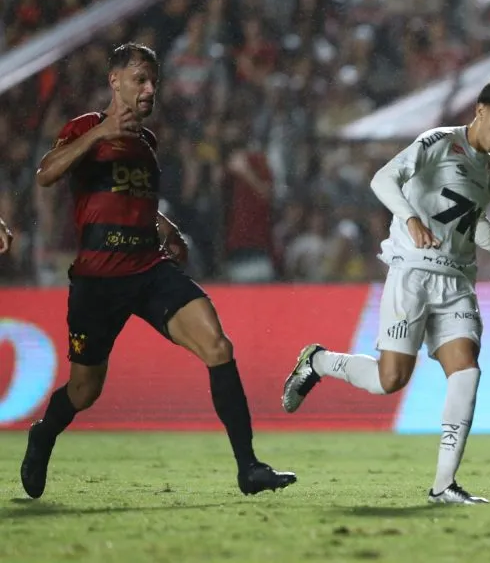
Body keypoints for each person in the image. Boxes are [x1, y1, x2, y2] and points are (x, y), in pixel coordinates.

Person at [22, 42, 296, 499]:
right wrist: (101, 132)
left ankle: (248, 467)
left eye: (154, 81)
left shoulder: (147, 142)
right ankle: (44, 434)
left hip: (149, 270)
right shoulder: (86, 128)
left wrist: (166, 228)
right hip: (97, 280)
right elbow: (45, 174)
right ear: (115, 81)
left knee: (217, 344)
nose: (150, 89)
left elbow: (136, 202)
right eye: (140, 80)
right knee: (85, 391)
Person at [281, 79, 490, 504]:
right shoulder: (438, 142)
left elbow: (473, 222)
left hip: (458, 281)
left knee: (467, 370)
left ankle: (444, 485)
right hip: (413, 273)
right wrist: (409, 218)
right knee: (390, 380)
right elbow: (383, 179)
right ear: (479, 110)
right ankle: (318, 361)